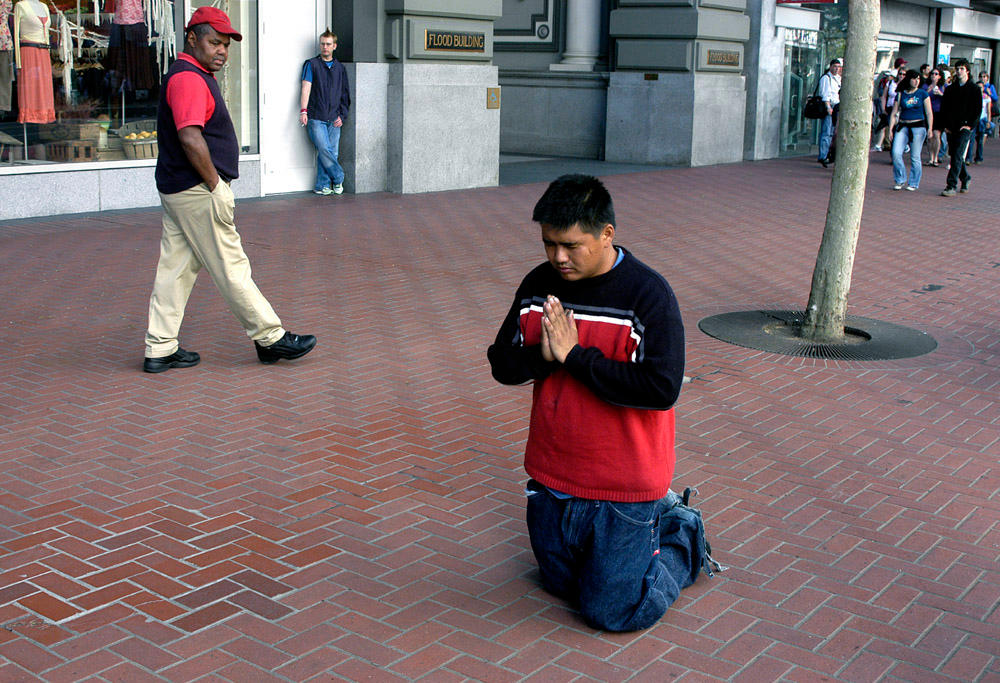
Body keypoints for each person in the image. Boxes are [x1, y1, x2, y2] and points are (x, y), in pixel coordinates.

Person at [487, 174, 721, 632]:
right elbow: (501, 363)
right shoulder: (539, 286)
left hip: (623, 485)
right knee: (557, 586)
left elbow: (661, 388)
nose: (558, 257)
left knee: (609, 610)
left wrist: (575, 357)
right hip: (553, 475)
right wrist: (547, 357)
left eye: (571, 245)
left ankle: (681, 533)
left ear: (607, 234)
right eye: (549, 244)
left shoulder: (647, 295)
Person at [143, 7, 316, 372]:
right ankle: (270, 338)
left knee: (175, 269)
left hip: (179, 188)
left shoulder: (190, 74)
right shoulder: (189, 78)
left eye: (226, 45)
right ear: (192, 39)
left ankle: (159, 347)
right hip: (196, 190)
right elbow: (190, 137)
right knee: (230, 264)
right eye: (214, 42)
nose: (222, 51)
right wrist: (215, 184)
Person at [299, 29, 350, 196]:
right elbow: (306, 88)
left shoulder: (340, 68)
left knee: (329, 152)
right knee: (325, 149)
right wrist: (304, 111)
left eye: (328, 44)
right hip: (316, 117)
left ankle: (322, 185)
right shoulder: (311, 64)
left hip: (334, 118)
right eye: (322, 44)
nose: (325, 47)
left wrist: (342, 116)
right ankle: (339, 177)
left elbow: (345, 94)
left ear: (334, 46)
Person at [940, 59, 983, 197]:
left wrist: (970, 125)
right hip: (951, 127)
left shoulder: (975, 89)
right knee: (955, 155)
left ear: (967, 71)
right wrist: (945, 125)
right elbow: (944, 108)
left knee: (958, 154)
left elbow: (977, 110)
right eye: (957, 68)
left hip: (965, 127)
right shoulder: (951, 89)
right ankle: (965, 178)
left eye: (962, 69)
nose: (959, 71)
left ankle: (951, 185)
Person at [887, 69, 932, 191]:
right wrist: (890, 129)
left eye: (918, 79)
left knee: (915, 156)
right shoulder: (901, 94)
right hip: (903, 126)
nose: (916, 81)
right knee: (896, 152)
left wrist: (930, 128)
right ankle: (900, 179)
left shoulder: (922, 94)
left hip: (918, 126)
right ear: (909, 79)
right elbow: (894, 112)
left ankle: (913, 182)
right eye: (914, 78)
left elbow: (929, 112)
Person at [817, 58, 842, 167]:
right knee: (826, 131)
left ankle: (828, 153)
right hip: (829, 105)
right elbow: (824, 94)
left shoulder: (838, 78)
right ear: (831, 66)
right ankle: (823, 155)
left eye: (838, 67)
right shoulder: (826, 78)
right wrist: (828, 107)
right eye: (835, 66)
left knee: (832, 131)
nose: (836, 69)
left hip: (837, 105)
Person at [922, 68, 945, 166]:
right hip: (928, 112)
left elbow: (948, 99)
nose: (934, 75)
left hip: (939, 113)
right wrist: (929, 89)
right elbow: (922, 96)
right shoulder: (926, 86)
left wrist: (941, 94)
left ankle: (936, 157)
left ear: (940, 76)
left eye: (936, 74)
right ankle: (931, 157)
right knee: (930, 136)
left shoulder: (943, 86)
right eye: (932, 74)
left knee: (937, 135)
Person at [966, 79, 992, 164]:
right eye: (978, 87)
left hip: (982, 119)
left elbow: (988, 110)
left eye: (981, 87)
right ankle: (968, 158)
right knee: (971, 139)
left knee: (980, 140)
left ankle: (979, 157)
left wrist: (988, 121)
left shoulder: (986, 97)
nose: (979, 89)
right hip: (974, 120)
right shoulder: (972, 96)